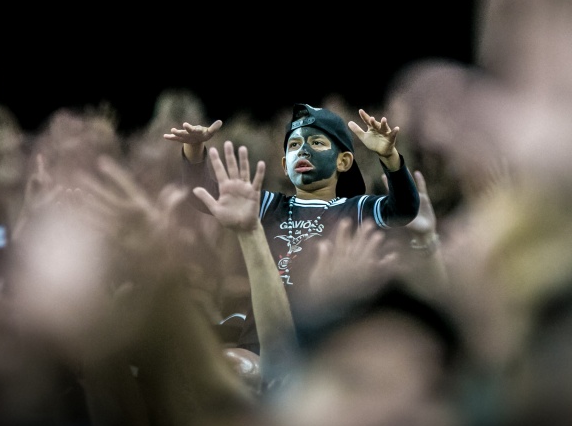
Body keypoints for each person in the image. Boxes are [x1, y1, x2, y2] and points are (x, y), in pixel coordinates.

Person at [164, 102, 421, 362]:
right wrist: (194, 150)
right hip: (260, 343)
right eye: (295, 145)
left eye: (317, 143)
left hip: (325, 346)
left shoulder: (357, 207)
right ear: (285, 164)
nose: (304, 151)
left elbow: (405, 209)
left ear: (343, 161)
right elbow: (202, 194)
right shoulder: (267, 205)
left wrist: (390, 158)